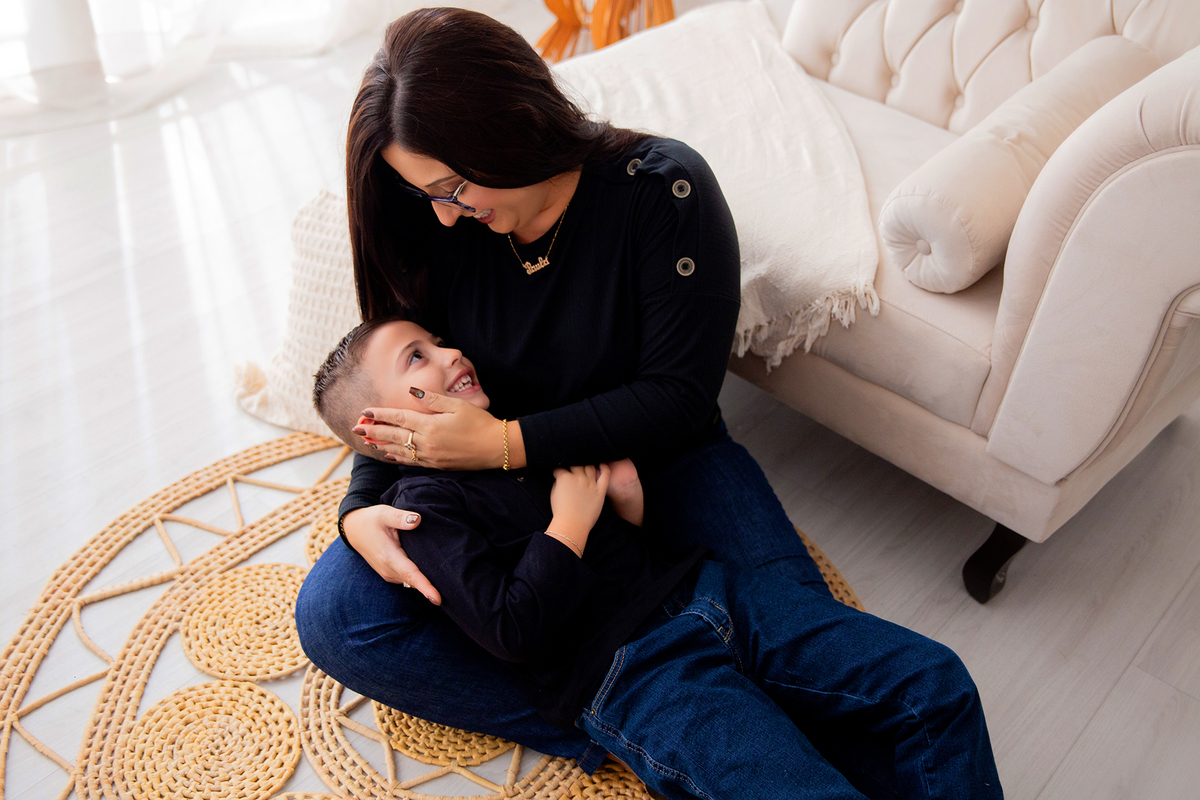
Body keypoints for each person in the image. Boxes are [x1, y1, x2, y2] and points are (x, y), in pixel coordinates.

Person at [297, 5, 833, 762]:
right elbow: (389, 373)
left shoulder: (662, 192)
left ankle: (681, 697)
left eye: (452, 187)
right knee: (337, 617)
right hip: (503, 500)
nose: (446, 218)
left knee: (816, 658)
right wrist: (358, 508)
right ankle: (629, 719)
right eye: (429, 197)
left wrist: (508, 443)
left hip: (657, 458)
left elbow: (677, 399)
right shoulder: (440, 224)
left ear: (510, 126)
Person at [308, 317, 1004, 800]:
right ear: (376, 427)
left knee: (934, 684)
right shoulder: (422, 512)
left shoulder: (515, 424)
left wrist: (626, 505)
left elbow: (623, 540)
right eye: (416, 359)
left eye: (436, 341)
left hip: (712, 593)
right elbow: (511, 630)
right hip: (633, 676)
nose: (448, 353)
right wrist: (572, 522)